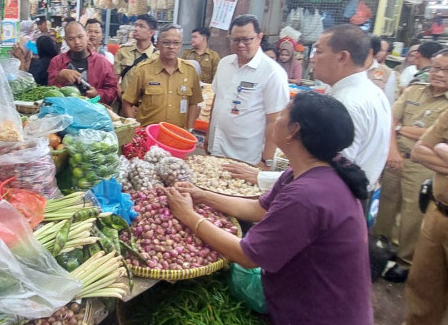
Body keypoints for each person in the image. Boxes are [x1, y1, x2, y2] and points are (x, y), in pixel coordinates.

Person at [167, 92, 374, 325]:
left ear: (294, 131)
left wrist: (189, 217)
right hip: (309, 308)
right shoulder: (304, 172)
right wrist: (201, 195)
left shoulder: (308, 195)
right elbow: (258, 209)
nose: (275, 118)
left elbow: (247, 255)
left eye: (284, 112)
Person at [224, 25, 391, 200]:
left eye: (318, 52)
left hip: (335, 199)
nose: (312, 59)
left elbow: (328, 173)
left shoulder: (347, 104)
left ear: (342, 57)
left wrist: (261, 177)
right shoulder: (371, 92)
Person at [375, 106, 448, 325]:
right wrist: (439, 151)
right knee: (424, 284)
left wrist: (441, 150)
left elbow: (431, 149)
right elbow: (419, 150)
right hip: (438, 212)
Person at [374, 48, 448, 283]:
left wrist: (400, 128)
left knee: (413, 214)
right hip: (395, 157)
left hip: (423, 164)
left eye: (446, 70)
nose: (439, 74)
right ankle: (380, 251)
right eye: (436, 68)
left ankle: (406, 261)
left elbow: (431, 135)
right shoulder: (415, 90)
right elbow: (390, 119)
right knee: (385, 206)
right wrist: (393, 150)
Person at [208, 14, 289, 167]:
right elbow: (217, 100)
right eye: (235, 40)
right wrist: (208, 137)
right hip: (217, 150)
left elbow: (276, 121)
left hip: (246, 158)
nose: (240, 44)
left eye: (246, 39)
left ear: (259, 38)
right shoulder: (224, 64)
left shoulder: (272, 73)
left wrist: (266, 160)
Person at [122, 24, 203, 129]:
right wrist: (136, 129)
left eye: (176, 43)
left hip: (177, 135)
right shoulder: (143, 70)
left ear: (181, 45)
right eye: (166, 43)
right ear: (157, 44)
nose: (171, 47)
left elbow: (193, 103)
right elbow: (127, 102)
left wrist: (189, 129)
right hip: (148, 135)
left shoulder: (190, 70)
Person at [47, 22, 118, 104]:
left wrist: (97, 94)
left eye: (80, 37)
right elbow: (51, 91)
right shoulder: (57, 61)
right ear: (65, 40)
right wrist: (60, 76)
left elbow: (113, 91)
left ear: (87, 36)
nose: (77, 42)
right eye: (71, 39)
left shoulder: (103, 63)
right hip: (64, 111)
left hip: (93, 111)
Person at [114, 14, 159, 87]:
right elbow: (115, 80)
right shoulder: (123, 51)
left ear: (151, 33)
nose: (136, 29)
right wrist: (121, 95)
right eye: (136, 25)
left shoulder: (157, 56)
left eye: (141, 26)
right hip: (123, 96)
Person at [368, 36, 397, 104]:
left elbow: (389, 100)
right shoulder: (355, 67)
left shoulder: (388, 73)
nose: (378, 52)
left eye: (381, 50)